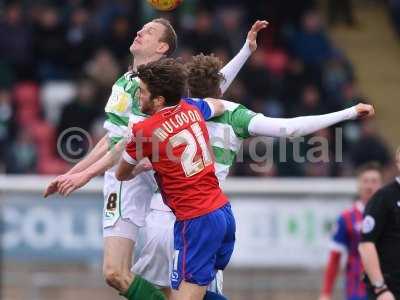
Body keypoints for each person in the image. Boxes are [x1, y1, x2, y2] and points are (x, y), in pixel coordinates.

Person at [130, 53, 376, 297]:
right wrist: (349, 112)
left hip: (162, 216)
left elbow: (208, 87)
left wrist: (247, 49)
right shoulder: (235, 114)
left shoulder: (172, 110)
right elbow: (290, 128)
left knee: (155, 291)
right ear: (220, 87)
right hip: (204, 216)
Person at [44, 18, 179, 300]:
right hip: (132, 180)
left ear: (162, 46)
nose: (140, 31)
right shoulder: (126, 80)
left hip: (146, 183)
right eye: (141, 27)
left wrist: (84, 176)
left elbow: (132, 143)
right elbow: (113, 137)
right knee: (138, 278)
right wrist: (74, 172)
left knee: (123, 273)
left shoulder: (157, 87)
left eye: (150, 32)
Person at [115, 58, 235, 300]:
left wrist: (143, 166)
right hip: (222, 212)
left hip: (196, 221)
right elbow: (218, 106)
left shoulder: (144, 132)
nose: (139, 96)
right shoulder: (192, 109)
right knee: (190, 293)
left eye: (143, 92)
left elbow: (121, 174)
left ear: (159, 100)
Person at [319, 162, 383, 300]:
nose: (369, 186)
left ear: (381, 185)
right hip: (357, 290)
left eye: (374, 181)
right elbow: (334, 258)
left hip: (387, 289)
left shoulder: (391, 215)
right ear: (358, 185)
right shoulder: (347, 218)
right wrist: (326, 292)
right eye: (365, 181)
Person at [359, 148, 400, 300]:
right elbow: (366, 244)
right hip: (390, 290)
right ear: (398, 162)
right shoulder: (383, 197)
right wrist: (380, 288)